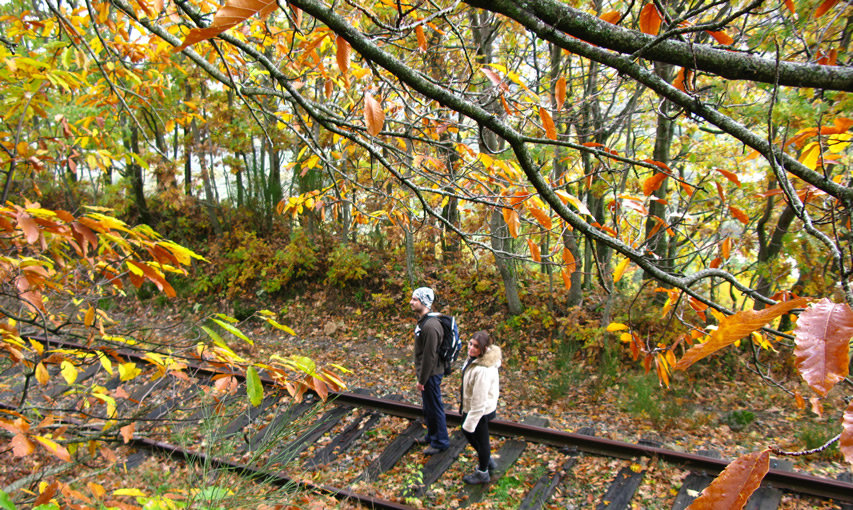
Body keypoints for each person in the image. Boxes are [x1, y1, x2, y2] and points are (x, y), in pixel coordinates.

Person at [410, 287, 450, 455]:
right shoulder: (425, 321)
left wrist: (422, 380)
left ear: (424, 302)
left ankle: (440, 442)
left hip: (431, 374)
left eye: (415, 300)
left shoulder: (431, 326)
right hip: (427, 374)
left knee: (435, 407)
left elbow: (429, 356)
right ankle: (432, 435)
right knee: (428, 407)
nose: (411, 302)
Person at [460, 330, 501, 484]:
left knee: (481, 440)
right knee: (470, 434)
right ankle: (487, 460)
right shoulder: (475, 359)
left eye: (475, 346)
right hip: (471, 406)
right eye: (470, 344)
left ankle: (483, 472)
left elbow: (480, 399)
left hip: (479, 410)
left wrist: (471, 421)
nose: (471, 348)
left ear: (483, 349)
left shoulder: (483, 370)